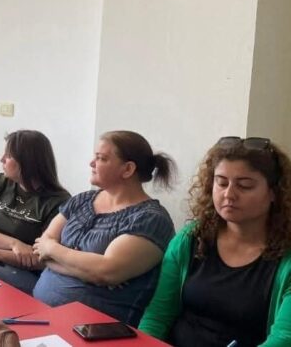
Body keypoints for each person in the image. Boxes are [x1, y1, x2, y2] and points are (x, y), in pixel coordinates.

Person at [139, 137, 291, 346]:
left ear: (274, 192)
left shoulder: (286, 258)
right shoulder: (191, 237)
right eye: (221, 183)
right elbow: (157, 316)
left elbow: (283, 339)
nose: (229, 194)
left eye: (245, 186)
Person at [33, 130, 176, 326]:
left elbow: (105, 272)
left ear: (128, 169)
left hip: (96, 330)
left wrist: (53, 250)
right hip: (40, 312)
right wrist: (85, 270)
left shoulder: (150, 219)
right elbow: (41, 247)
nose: (91, 163)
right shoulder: (83, 199)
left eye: (101, 158)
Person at [0, 130, 71, 293]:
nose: (1, 159)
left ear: (28, 162)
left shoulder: (58, 202)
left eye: (8, 156)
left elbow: (44, 259)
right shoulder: (0, 182)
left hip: (25, 272)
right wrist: (15, 244)